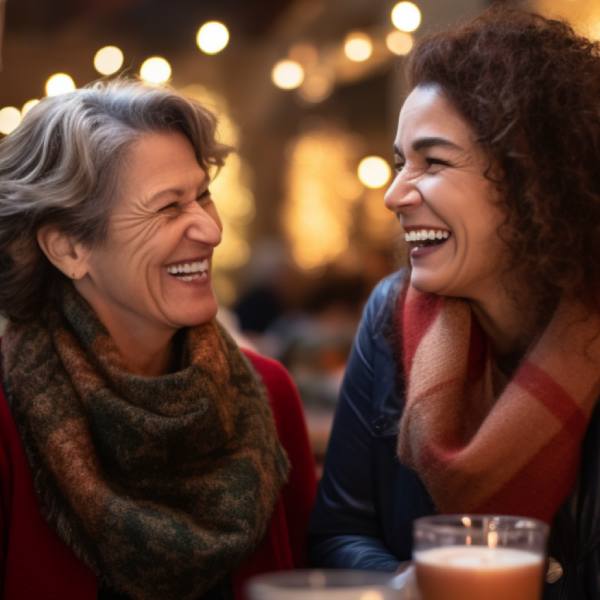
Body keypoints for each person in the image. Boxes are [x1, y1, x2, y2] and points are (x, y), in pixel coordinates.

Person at [309, 7, 600, 599]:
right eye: (399, 162)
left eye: (433, 161)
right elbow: (339, 532)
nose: (393, 195)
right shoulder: (390, 315)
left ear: (529, 178)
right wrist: (411, 585)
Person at [0, 80, 316, 600]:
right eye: (168, 208)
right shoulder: (7, 419)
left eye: (203, 196)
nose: (211, 232)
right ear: (68, 247)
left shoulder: (271, 394)